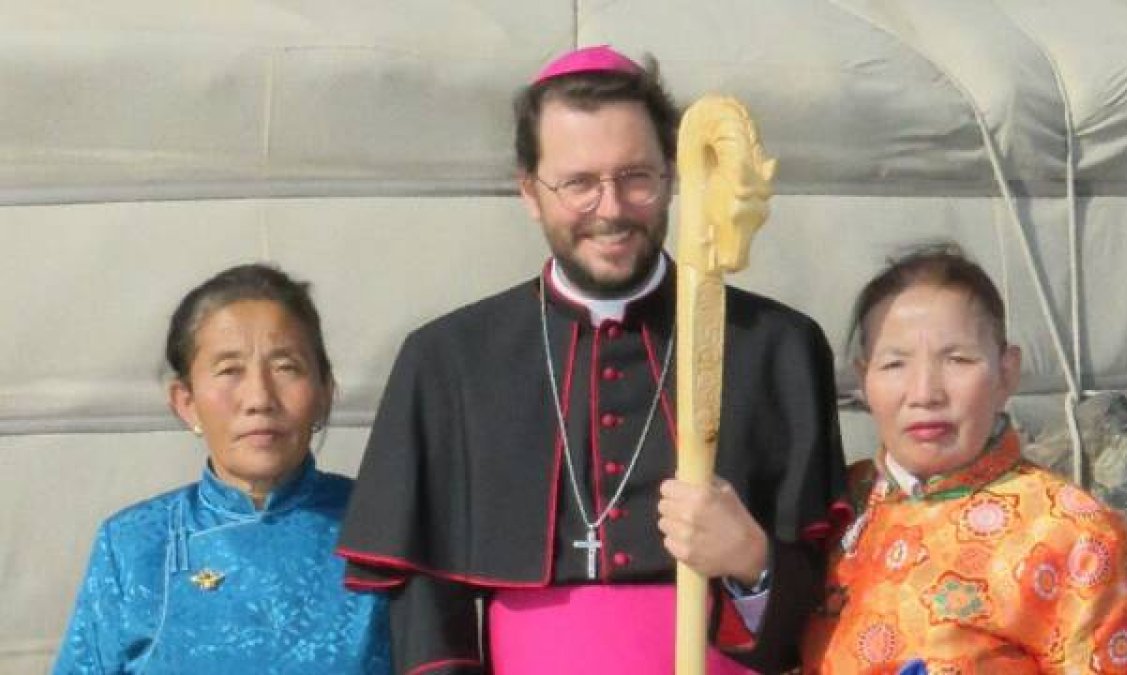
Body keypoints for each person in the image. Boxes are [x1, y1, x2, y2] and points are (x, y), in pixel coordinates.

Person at [337, 45, 848, 674]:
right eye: (578, 183)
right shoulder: (448, 360)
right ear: (530, 192)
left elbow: (823, 599)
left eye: (636, 177)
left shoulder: (773, 346)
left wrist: (752, 563)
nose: (610, 210)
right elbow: (427, 609)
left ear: (671, 175)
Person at [800, 243, 1127, 673]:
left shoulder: (1067, 530)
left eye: (957, 359)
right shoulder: (836, 508)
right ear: (864, 379)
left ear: (1006, 373)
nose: (924, 393)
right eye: (894, 364)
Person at [54, 264, 390, 674]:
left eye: (286, 367)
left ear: (324, 392)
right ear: (186, 401)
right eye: (230, 370)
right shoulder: (135, 545)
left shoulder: (382, 531)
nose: (259, 398)